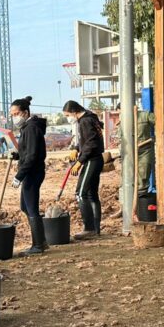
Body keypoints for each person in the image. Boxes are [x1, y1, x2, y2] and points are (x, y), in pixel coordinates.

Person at [9, 96, 48, 255]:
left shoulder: (31, 128)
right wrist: (18, 156)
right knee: (25, 206)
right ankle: (41, 241)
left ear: (25, 112)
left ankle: (38, 245)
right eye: (12, 114)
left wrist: (19, 175)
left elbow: (32, 156)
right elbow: (28, 152)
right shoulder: (27, 127)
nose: (14, 117)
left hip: (32, 172)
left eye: (16, 113)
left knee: (31, 208)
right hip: (30, 171)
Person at [63, 101, 104, 240]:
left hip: (91, 160)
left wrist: (79, 162)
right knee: (92, 194)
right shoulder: (91, 118)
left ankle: (89, 228)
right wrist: (76, 148)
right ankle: (96, 228)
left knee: (80, 194)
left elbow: (92, 143)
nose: (68, 118)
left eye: (68, 115)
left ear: (74, 111)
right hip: (96, 159)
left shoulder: (85, 121)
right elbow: (85, 140)